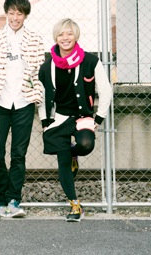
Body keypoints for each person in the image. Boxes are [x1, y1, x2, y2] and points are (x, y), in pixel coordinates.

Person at [38, 18, 112, 222]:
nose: (65, 38)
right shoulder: (47, 67)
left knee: (86, 144)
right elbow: (42, 98)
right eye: (61, 34)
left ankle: (74, 154)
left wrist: (99, 118)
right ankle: (74, 204)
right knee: (62, 160)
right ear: (56, 37)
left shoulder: (90, 61)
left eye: (69, 33)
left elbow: (106, 91)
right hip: (59, 118)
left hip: (82, 117)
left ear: (76, 36)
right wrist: (45, 122)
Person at [0, 0, 44, 218]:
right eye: (11, 13)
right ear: (6, 13)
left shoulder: (35, 39)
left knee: (18, 154)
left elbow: (38, 71)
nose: (15, 17)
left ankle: (13, 199)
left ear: (25, 15)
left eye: (19, 13)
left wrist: (36, 95)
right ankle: (1, 198)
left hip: (23, 101)